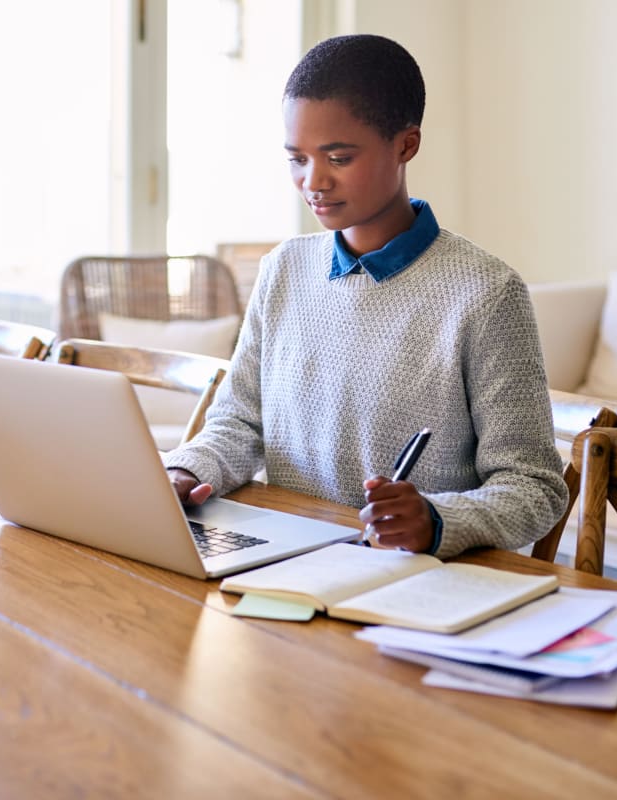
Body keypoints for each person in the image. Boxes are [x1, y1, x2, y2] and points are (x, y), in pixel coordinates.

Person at [163, 34, 568, 558]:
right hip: (277, 560)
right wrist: (185, 469)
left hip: (408, 578)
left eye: (338, 157)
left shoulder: (487, 293)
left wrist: (437, 519)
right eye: (297, 159)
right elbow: (238, 423)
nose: (314, 182)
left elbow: (534, 489)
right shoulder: (283, 269)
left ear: (406, 144)